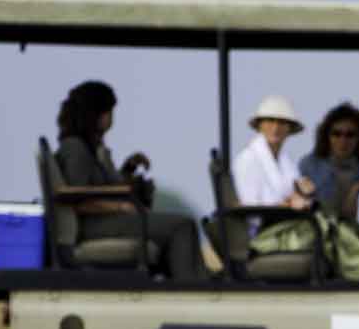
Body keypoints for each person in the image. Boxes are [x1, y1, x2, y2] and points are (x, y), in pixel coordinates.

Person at [53, 80, 204, 280]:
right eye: (109, 111)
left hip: (102, 221)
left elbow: (102, 187)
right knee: (182, 225)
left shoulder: (90, 148)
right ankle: (191, 288)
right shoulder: (76, 149)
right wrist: (120, 208)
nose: (111, 118)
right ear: (96, 113)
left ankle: (193, 278)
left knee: (181, 224)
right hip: (92, 226)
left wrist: (128, 169)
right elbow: (77, 201)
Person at [232, 95, 314, 210]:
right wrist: (286, 205)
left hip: (288, 222)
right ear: (260, 125)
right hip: (262, 226)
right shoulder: (247, 159)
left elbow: (295, 198)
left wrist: (304, 193)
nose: (275, 128)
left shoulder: (287, 162)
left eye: (282, 122)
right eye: (270, 121)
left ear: (290, 128)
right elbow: (250, 208)